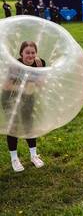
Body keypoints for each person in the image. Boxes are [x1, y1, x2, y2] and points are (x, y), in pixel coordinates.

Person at [1, 41, 46, 172]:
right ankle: (14, 159)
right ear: (21, 53)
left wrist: (35, 82)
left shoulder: (40, 63)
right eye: (27, 52)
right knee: (13, 128)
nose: (30, 55)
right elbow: (7, 86)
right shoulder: (15, 66)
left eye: (33, 52)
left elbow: (41, 84)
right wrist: (26, 86)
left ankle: (33, 155)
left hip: (28, 99)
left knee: (29, 125)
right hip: (10, 99)